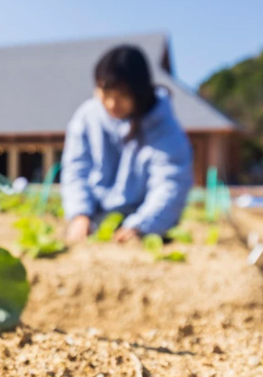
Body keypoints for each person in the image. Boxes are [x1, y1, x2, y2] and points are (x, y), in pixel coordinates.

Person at [61, 45, 193, 243]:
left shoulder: (163, 126)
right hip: (95, 219)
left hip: (145, 223)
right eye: (106, 95)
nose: (112, 104)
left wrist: (142, 225)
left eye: (122, 96)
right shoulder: (87, 117)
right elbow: (75, 169)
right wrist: (80, 214)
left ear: (139, 94)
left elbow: (170, 181)